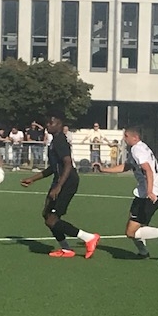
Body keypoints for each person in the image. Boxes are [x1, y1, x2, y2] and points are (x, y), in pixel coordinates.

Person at [20, 110, 100, 259]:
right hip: (60, 180)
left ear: (60, 124)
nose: (48, 125)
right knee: (47, 215)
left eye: (52, 122)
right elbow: (53, 167)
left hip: (67, 181)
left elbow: (68, 164)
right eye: (47, 122)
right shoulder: (53, 141)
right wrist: (33, 179)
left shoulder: (60, 141)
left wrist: (59, 186)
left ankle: (89, 238)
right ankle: (66, 249)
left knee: (52, 219)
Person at [100, 127, 158, 258]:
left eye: (126, 136)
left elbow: (148, 170)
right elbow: (127, 166)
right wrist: (104, 170)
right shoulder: (139, 147)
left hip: (149, 196)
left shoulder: (137, 149)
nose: (124, 139)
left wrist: (149, 191)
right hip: (143, 194)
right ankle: (143, 252)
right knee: (138, 226)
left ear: (135, 137)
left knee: (131, 232)